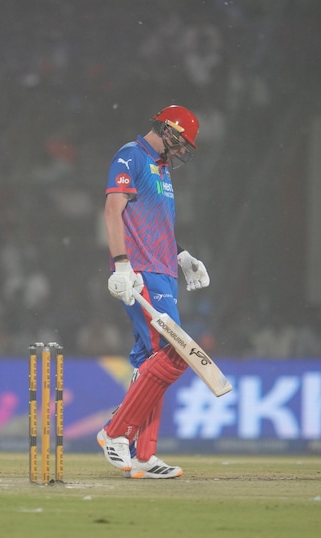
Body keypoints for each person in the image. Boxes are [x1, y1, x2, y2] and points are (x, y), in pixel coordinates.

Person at [99, 105, 210, 479]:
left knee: (154, 364)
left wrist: (183, 257)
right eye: (182, 144)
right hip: (141, 273)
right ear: (169, 131)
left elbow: (156, 226)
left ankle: (143, 455)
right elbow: (112, 211)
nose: (182, 151)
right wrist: (122, 263)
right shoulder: (131, 156)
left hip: (164, 272)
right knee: (173, 354)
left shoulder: (161, 169)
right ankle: (115, 432)